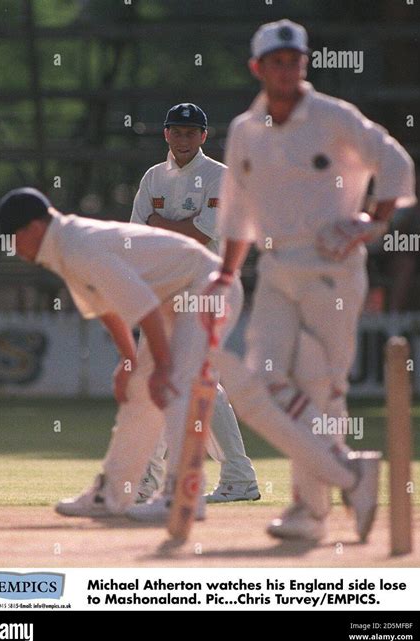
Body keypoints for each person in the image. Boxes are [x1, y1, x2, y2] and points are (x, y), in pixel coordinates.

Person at [0, 188, 383, 542]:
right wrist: (131, 363)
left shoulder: (78, 245)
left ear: (33, 228)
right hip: (174, 298)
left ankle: (182, 494)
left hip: (206, 287)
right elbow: (109, 308)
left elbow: (142, 304)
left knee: (176, 383)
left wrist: (161, 366)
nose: (14, 250)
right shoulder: (65, 247)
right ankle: (112, 493)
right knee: (140, 390)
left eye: (14, 239)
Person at [204, 19, 415, 541]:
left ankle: (309, 511)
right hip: (275, 268)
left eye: (295, 60)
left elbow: (394, 161)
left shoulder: (331, 116)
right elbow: (237, 213)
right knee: (260, 383)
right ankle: (349, 472)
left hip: (331, 267)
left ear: (304, 63)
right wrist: (225, 274)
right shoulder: (246, 130)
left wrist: (372, 221)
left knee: (321, 385)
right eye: (276, 62)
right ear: (258, 68)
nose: (287, 69)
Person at [130, 102, 259, 504]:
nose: (183, 139)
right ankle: (150, 482)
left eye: (191, 133)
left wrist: (159, 225)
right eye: (176, 131)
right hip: (164, 290)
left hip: (206, 287)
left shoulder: (220, 177)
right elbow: (137, 236)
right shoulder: (153, 177)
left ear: (204, 136)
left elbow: (198, 237)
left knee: (198, 379)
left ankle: (236, 476)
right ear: (166, 134)